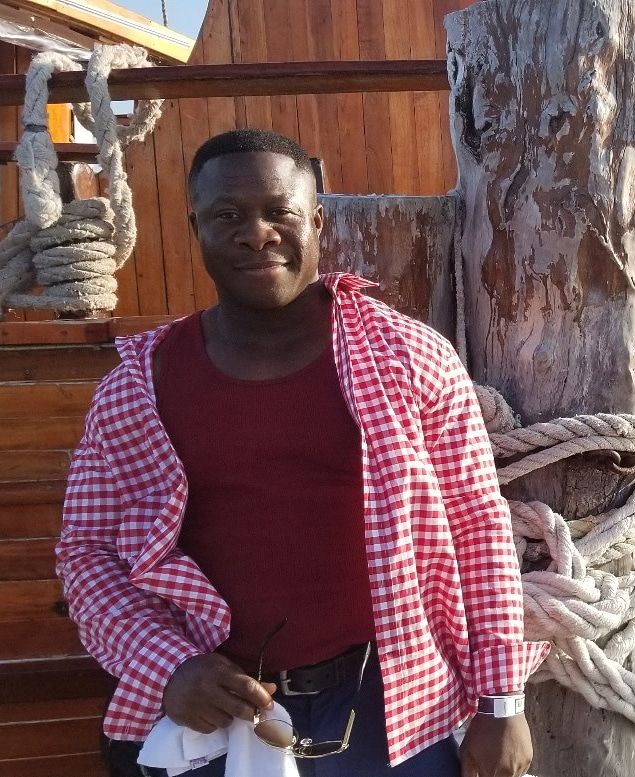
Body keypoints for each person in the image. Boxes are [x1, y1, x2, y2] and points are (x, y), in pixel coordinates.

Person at [56, 128, 549, 777]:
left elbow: (477, 527)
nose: (256, 233)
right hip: (216, 705)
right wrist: (168, 666)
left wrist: (501, 702)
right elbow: (87, 551)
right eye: (227, 216)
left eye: (278, 211)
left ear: (316, 220)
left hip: (393, 701)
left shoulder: (409, 357)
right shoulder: (138, 386)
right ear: (195, 227)